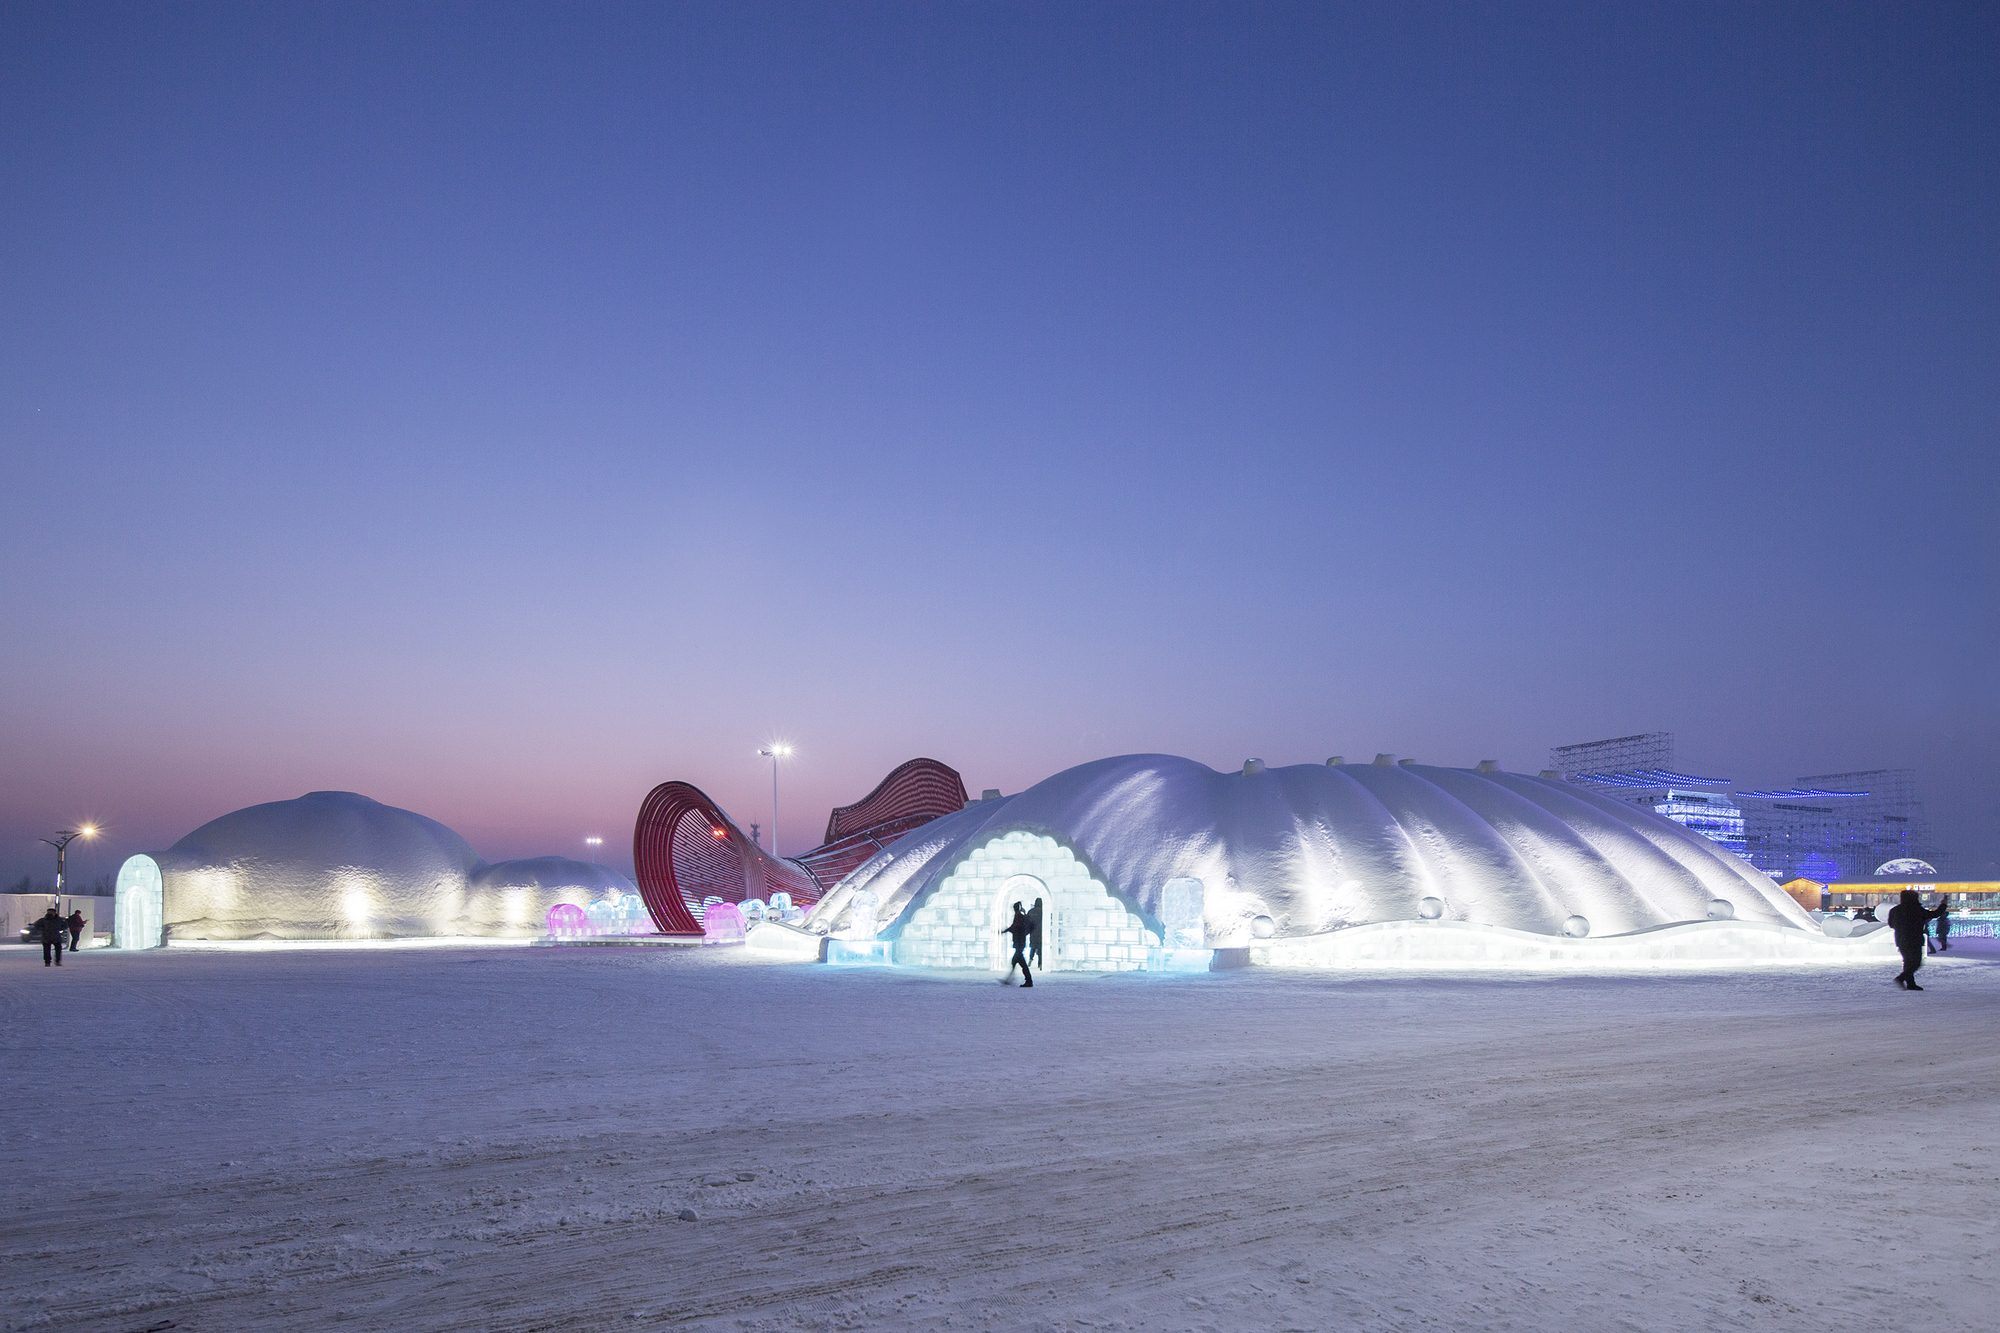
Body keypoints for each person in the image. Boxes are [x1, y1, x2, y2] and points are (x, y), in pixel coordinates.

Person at [1888, 889, 1945, 990]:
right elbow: (1934, 914)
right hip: (1915, 939)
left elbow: (1891, 924)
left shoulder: (1895, 910)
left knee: (1907, 962)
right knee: (1916, 962)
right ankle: (1902, 978)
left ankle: (1910, 983)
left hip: (1901, 939)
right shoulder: (1916, 909)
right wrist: (1943, 905)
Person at [1000, 901, 1033, 987]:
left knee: (1019, 962)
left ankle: (1028, 980)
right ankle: (1010, 979)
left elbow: (1015, 928)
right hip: (1019, 943)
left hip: (1019, 943)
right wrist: (1005, 931)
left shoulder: (1019, 917)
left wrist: (1005, 931)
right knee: (1016, 962)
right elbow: (1014, 928)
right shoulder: (1019, 917)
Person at [1027, 898, 1044, 970]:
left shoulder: (1030, 911)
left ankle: (1030, 959)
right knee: (1040, 948)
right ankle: (1040, 963)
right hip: (1040, 932)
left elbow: (1027, 922)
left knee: (1033, 947)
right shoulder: (1042, 912)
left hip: (1032, 932)